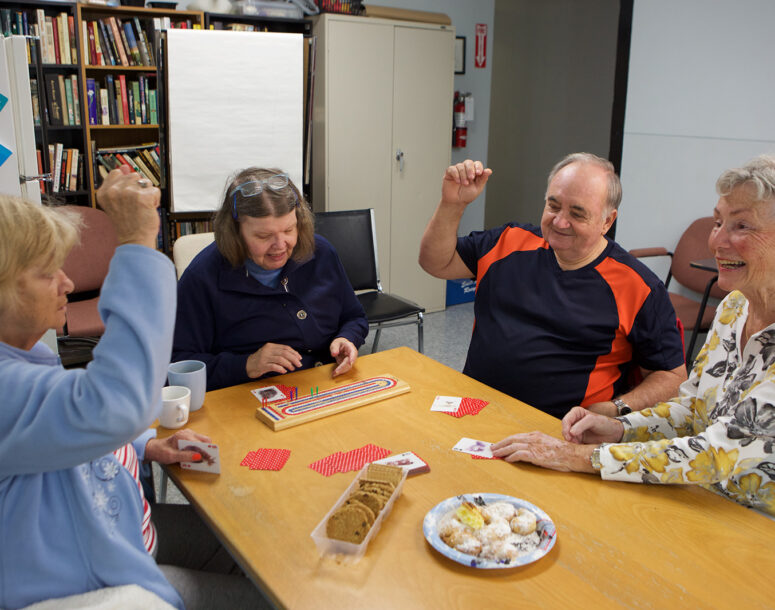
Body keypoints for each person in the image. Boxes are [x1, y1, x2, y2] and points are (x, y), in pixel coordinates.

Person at [0, 169, 268, 609]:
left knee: (255, 544)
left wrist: (143, 443)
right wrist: (137, 241)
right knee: (267, 595)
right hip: (97, 583)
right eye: (49, 273)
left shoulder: (28, 359)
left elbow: (57, 424)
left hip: (121, 535)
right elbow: (113, 404)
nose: (67, 284)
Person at [491, 155, 775, 516]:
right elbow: (692, 409)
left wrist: (580, 456)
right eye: (718, 222)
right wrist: (619, 428)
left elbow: (715, 452)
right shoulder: (735, 307)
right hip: (697, 497)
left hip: (756, 528)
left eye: (742, 227)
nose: (717, 241)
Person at [419, 154, 687, 419]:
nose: (559, 222)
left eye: (577, 214)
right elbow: (436, 263)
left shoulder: (639, 287)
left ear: (607, 221)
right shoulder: (508, 242)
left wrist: (617, 408)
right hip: (475, 411)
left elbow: (672, 377)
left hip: (558, 433)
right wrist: (452, 204)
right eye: (553, 206)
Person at [172, 168, 368, 391]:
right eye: (264, 236)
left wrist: (347, 338)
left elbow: (354, 316)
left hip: (328, 385)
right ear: (235, 233)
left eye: (289, 230)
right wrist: (246, 365)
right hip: (249, 400)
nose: (281, 245)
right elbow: (178, 366)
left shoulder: (321, 252)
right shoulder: (203, 277)